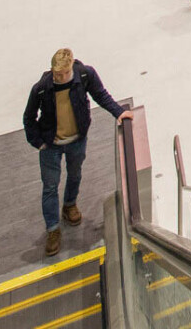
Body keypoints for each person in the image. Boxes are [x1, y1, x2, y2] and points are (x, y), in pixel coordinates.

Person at [23, 49, 130, 256]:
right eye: (56, 74)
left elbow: (101, 95)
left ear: (71, 67)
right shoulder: (42, 88)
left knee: (75, 175)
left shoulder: (84, 76)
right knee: (50, 186)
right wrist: (38, 143)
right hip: (51, 145)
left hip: (76, 141)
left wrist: (119, 112)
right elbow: (28, 117)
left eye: (63, 74)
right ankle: (53, 229)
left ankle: (70, 205)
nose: (59, 78)